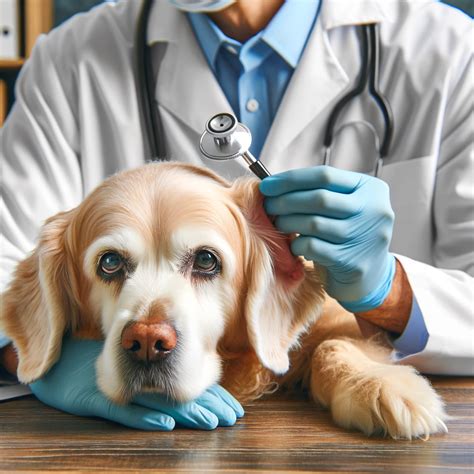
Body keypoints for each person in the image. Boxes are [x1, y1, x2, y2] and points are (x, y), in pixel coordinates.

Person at [0, 0, 472, 430]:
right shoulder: (69, 59)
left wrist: (389, 288)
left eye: (205, 261)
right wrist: (37, 353)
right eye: (111, 264)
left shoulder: (452, 53)